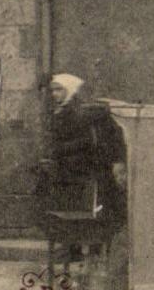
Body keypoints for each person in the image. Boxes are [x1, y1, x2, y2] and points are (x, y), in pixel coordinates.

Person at [45, 74, 127, 254]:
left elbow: (87, 141)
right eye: (53, 90)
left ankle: (85, 250)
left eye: (59, 89)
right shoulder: (62, 110)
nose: (54, 94)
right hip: (69, 169)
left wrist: (60, 149)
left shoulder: (77, 112)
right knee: (69, 210)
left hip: (81, 168)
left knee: (86, 212)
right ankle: (72, 247)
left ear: (69, 90)